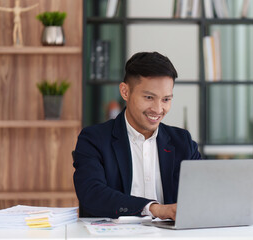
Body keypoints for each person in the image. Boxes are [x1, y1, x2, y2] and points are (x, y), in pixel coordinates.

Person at [73, 52, 202, 220]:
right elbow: (92, 194)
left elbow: (202, 194)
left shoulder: (183, 142)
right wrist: (154, 209)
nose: (157, 109)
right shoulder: (94, 139)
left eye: (166, 99)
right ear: (125, 92)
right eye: (149, 97)